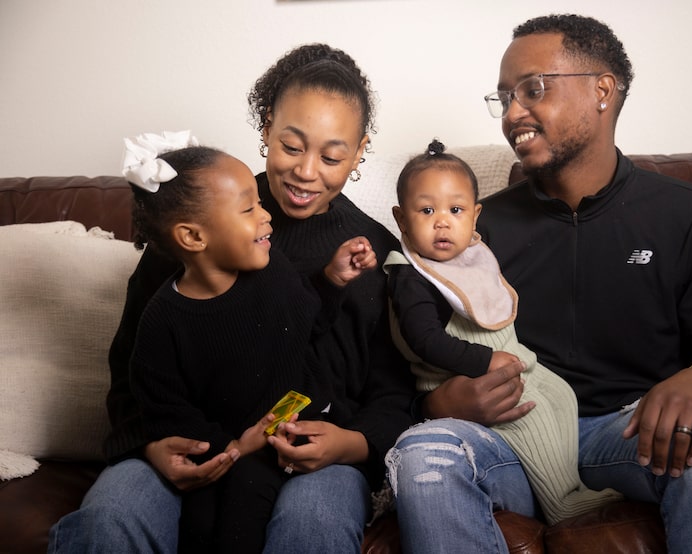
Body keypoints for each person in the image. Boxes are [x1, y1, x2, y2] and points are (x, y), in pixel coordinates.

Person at [387, 14, 692, 554]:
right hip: (512, 437)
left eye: (532, 89)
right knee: (422, 454)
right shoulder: (474, 233)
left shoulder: (689, 216)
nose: (511, 114)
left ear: (602, 90)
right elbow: (402, 357)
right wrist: (438, 406)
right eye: (503, 97)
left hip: (629, 435)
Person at [48, 44, 413, 554]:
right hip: (196, 444)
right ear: (266, 128)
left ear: (358, 152)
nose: (307, 172)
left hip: (314, 459)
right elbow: (134, 366)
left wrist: (351, 444)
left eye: (331, 156)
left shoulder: (374, 251)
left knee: (313, 527)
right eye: (291, 146)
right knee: (111, 515)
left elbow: (396, 390)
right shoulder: (196, 218)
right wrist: (152, 444)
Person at [120, 133, 377, 552]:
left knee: (249, 512)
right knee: (202, 523)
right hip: (229, 448)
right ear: (194, 238)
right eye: (249, 208)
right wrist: (235, 447)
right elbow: (166, 411)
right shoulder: (163, 320)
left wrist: (331, 279)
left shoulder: (271, 266)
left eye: (259, 204)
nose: (267, 218)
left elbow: (305, 320)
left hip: (292, 429)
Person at [383, 139, 621, 525]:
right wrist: (485, 359)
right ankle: (560, 501)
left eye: (455, 210)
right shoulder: (411, 276)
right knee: (533, 417)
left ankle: (571, 480)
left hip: (512, 364)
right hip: (461, 380)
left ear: (475, 216)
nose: (442, 221)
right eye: (426, 210)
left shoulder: (472, 258)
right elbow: (424, 341)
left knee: (562, 396)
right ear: (400, 218)